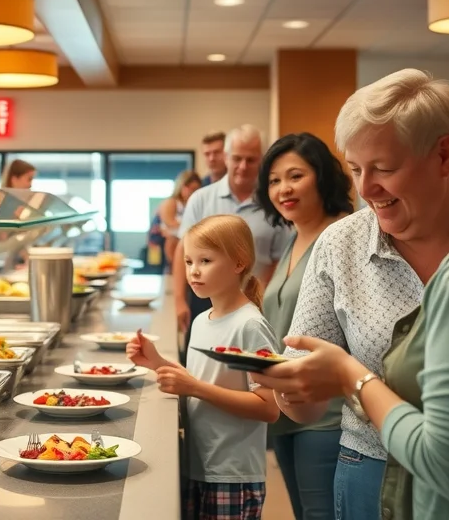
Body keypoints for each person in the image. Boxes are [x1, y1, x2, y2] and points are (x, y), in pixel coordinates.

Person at [258, 26, 449, 520]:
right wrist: (289, 386)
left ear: (445, 155)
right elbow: (306, 402)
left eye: (383, 168)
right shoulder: (340, 244)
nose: (367, 188)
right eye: (355, 169)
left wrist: (351, 377)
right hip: (369, 467)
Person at [128, 214, 279, 520]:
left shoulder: (250, 325)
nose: (193, 272)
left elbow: (269, 407)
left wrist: (194, 387)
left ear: (239, 263)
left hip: (231, 475)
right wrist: (156, 362)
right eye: (188, 262)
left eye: (205, 261)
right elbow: (201, 382)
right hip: (198, 464)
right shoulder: (201, 320)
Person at [253, 133, 353, 520]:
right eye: (275, 180)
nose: (283, 189)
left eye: (295, 176)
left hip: (326, 414)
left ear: (323, 177)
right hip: (285, 411)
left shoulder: (343, 236)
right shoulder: (294, 239)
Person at [173, 125, 290, 356]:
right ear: (226, 158)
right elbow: (182, 251)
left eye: (251, 159)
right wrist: (179, 300)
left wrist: (265, 302)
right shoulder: (201, 199)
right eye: (237, 158)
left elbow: (281, 261)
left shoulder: (274, 204)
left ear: (262, 160)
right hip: (203, 299)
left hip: (255, 301)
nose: (243, 166)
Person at [147, 170, 201, 269]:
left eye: (196, 190)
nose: (193, 193)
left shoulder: (193, 206)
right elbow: (171, 225)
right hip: (163, 249)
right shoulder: (170, 203)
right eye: (191, 189)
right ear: (182, 187)